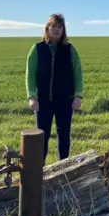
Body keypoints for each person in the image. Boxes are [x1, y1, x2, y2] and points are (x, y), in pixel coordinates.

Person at [25, 13, 83, 165]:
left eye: (60, 26)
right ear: (47, 29)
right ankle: (39, 171)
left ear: (63, 30)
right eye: (54, 26)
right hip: (43, 101)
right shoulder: (37, 49)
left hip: (65, 100)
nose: (57, 29)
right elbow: (30, 75)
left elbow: (78, 74)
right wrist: (32, 97)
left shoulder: (70, 50)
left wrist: (78, 96)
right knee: (42, 137)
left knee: (64, 135)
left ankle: (63, 168)